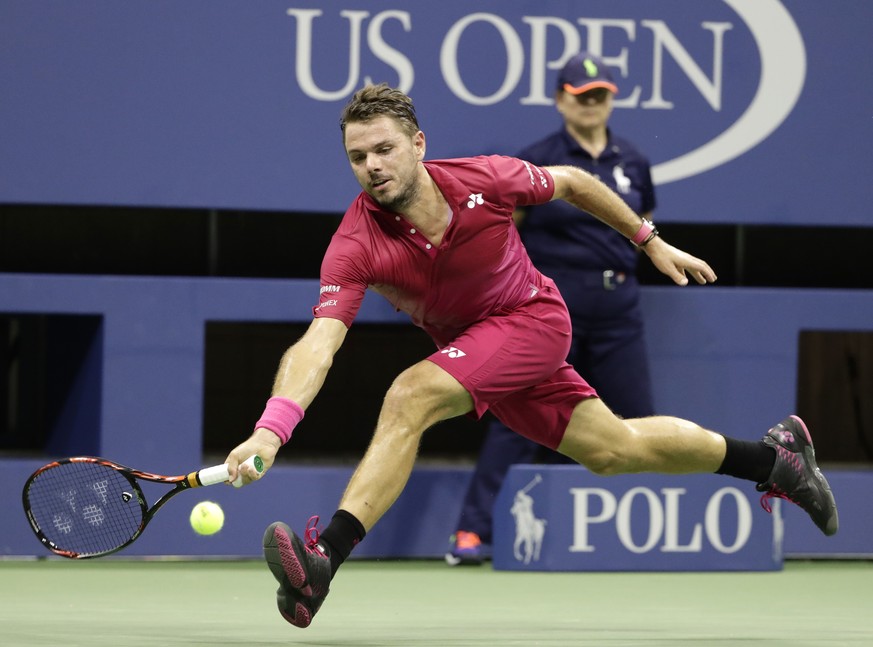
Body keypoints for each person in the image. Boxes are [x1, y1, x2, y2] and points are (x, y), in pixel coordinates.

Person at [225, 83, 838, 630]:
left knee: (410, 395)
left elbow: (572, 182)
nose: (372, 167)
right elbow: (320, 341)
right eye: (358, 157)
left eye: (384, 149)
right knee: (614, 451)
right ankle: (776, 460)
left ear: (417, 143)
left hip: (532, 321)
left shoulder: (483, 179)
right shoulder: (355, 243)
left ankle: (324, 560)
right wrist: (270, 430)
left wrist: (648, 241)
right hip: (475, 350)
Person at [447, 52, 657, 566]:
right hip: (549, 309)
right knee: (515, 419)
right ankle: (472, 534)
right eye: (581, 95)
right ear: (561, 99)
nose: (591, 104)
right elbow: (503, 228)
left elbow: (641, 222)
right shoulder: (538, 158)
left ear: (612, 100)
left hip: (619, 308)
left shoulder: (633, 161)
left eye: (600, 95)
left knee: (637, 420)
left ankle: (651, 536)